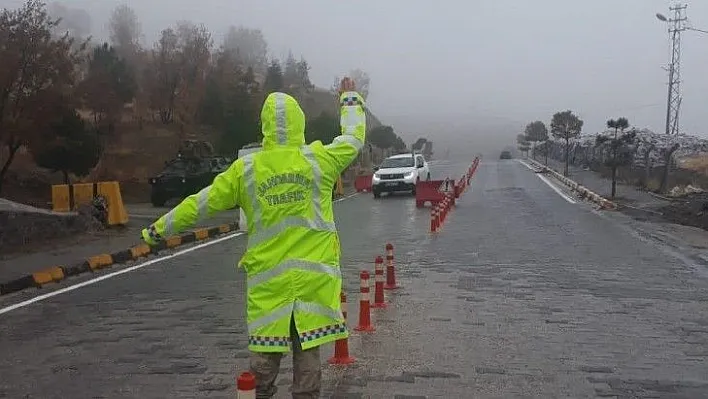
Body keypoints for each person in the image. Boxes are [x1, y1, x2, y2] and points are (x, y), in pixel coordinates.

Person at [141, 77, 366, 398]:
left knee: (262, 371)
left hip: (268, 290)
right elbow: (354, 138)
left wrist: (158, 229)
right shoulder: (320, 162)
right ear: (300, 122)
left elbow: (200, 203)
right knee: (308, 369)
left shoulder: (245, 171)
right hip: (312, 286)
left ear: (265, 127)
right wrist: (349, 99)